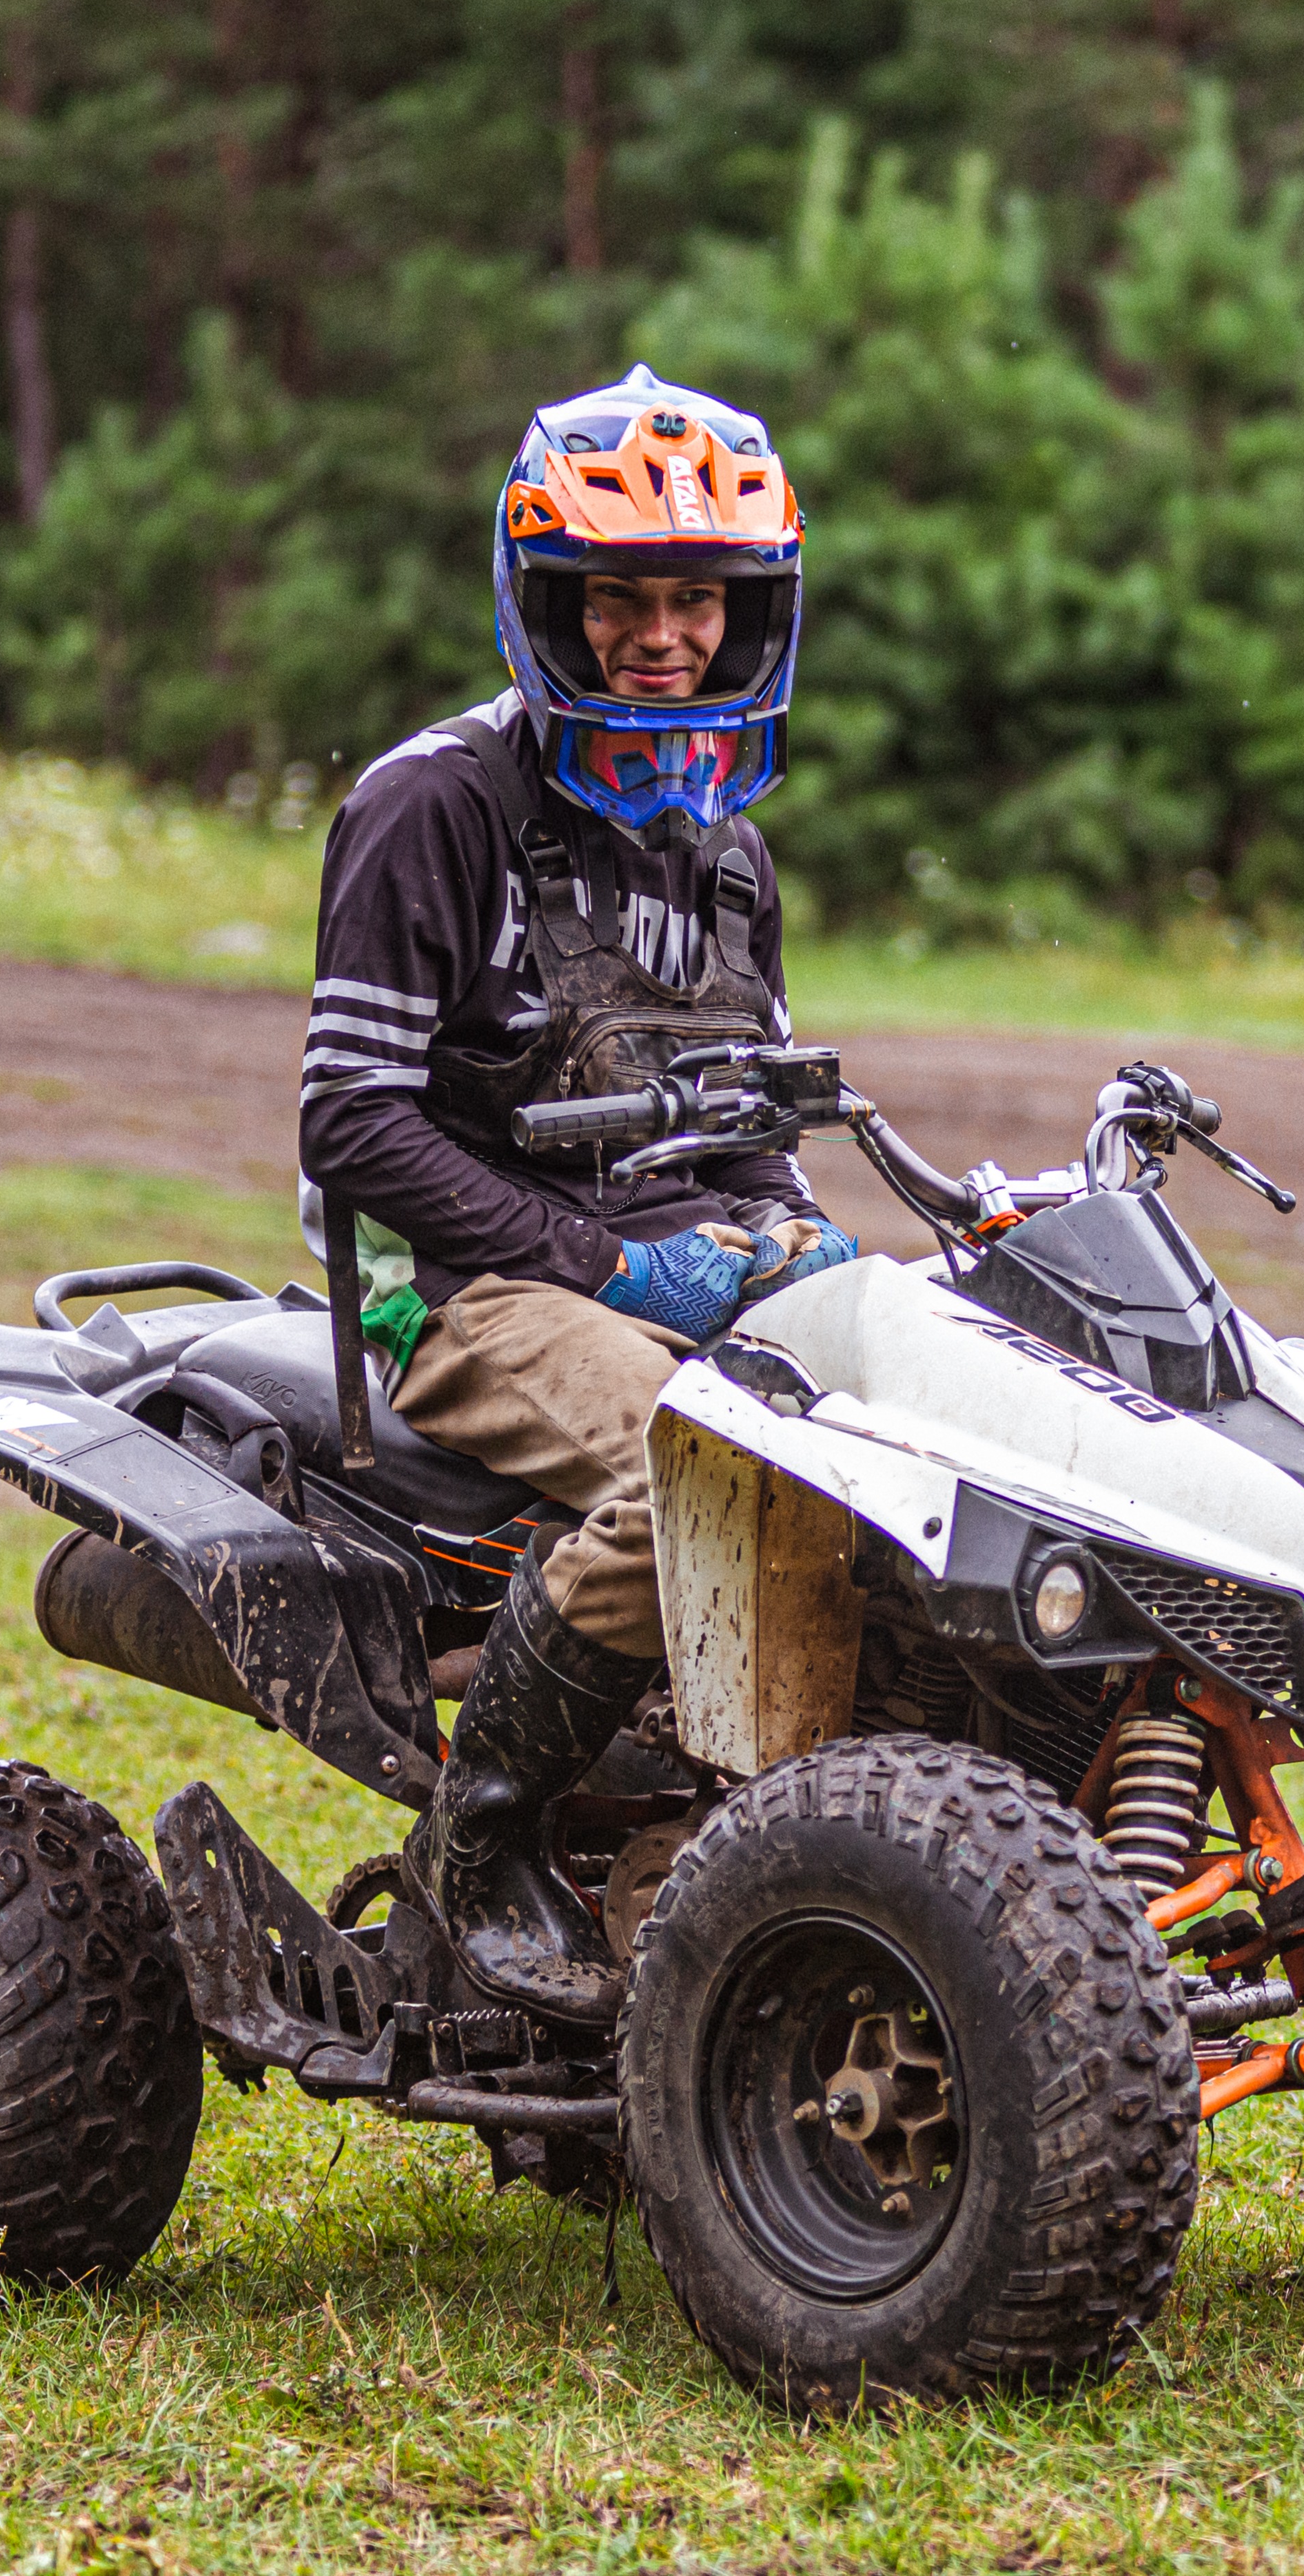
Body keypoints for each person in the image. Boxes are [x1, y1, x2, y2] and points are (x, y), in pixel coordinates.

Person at [297, 363, 860, 2031]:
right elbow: (347, 1120)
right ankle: (484, 1838)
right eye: (618, 598)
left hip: (653, 1267)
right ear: (544, 602)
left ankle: (781, 1841)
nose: (659, 636)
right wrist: (602, 1262)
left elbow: (745, 1119)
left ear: (751, 614)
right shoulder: (436, 805)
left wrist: (793, 1242)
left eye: (696, 599)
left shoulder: (730, 847)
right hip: (461, 1293)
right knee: (722, 1474)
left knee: (917, 1453)